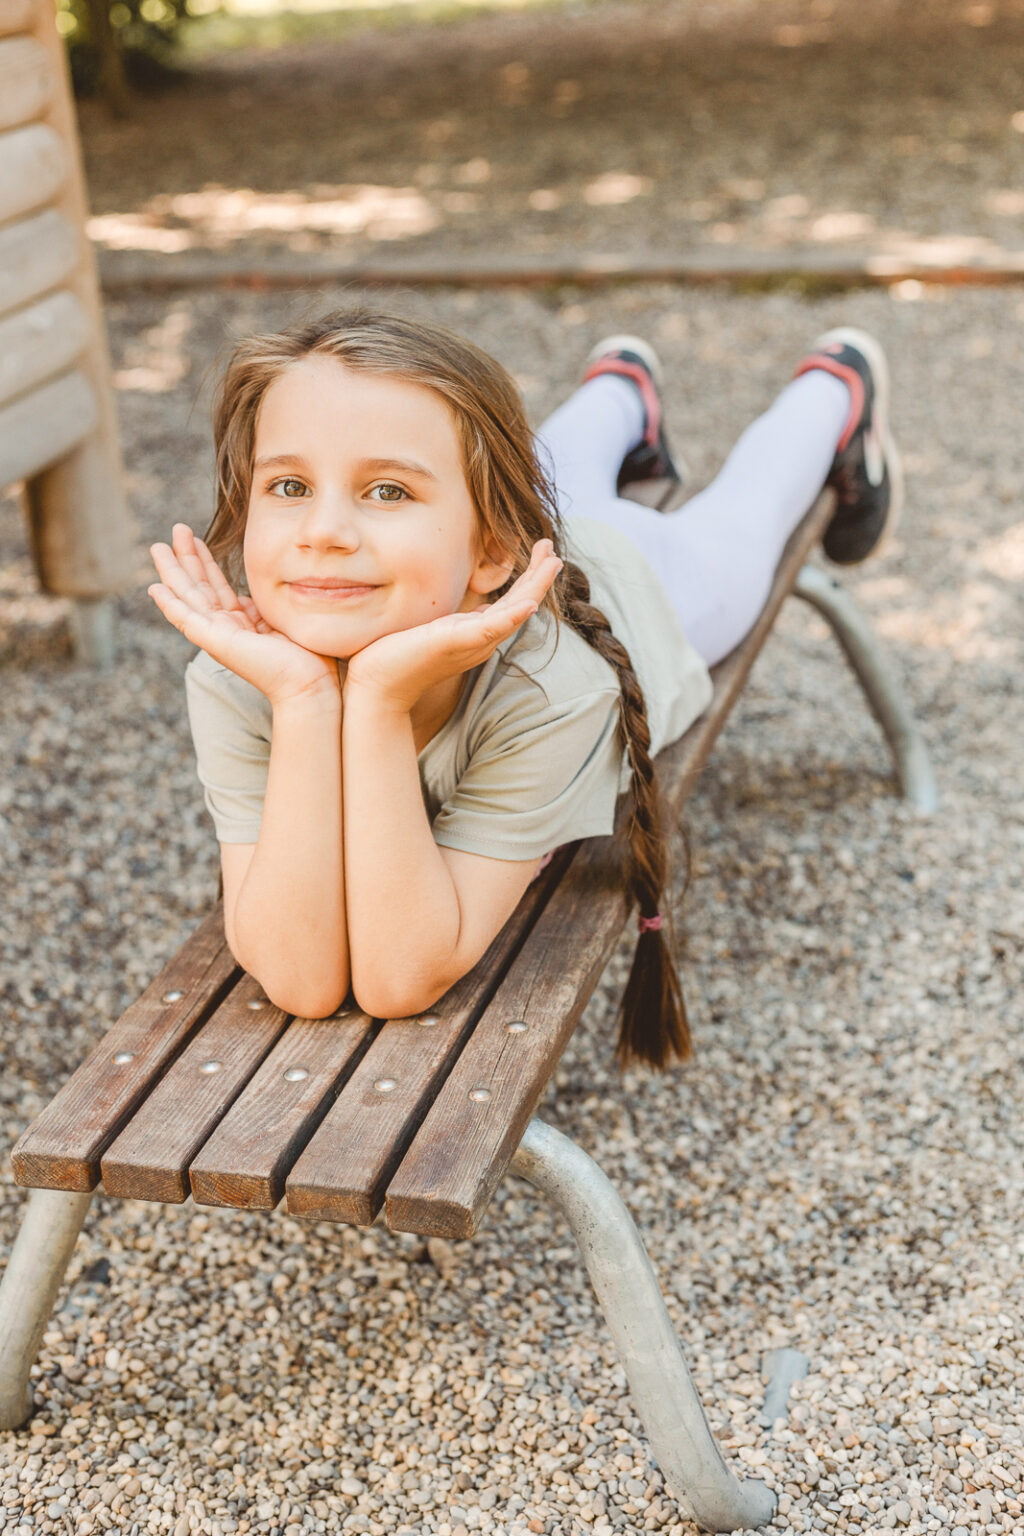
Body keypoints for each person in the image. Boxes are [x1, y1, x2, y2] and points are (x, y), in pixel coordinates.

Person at [148, 310, 901, 1070]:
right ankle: (622, 388)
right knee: (542, 469)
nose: (325, 531)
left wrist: (375, 699)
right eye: (289, 485)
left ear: (491, 555)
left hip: (645, 580)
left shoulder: (550, 691)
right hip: (495, 554)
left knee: (750, 511)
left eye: (387, 491)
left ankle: (836, 383)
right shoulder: (244, 677)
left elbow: (399, 978)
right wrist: (305, 700)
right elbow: (301, 981)